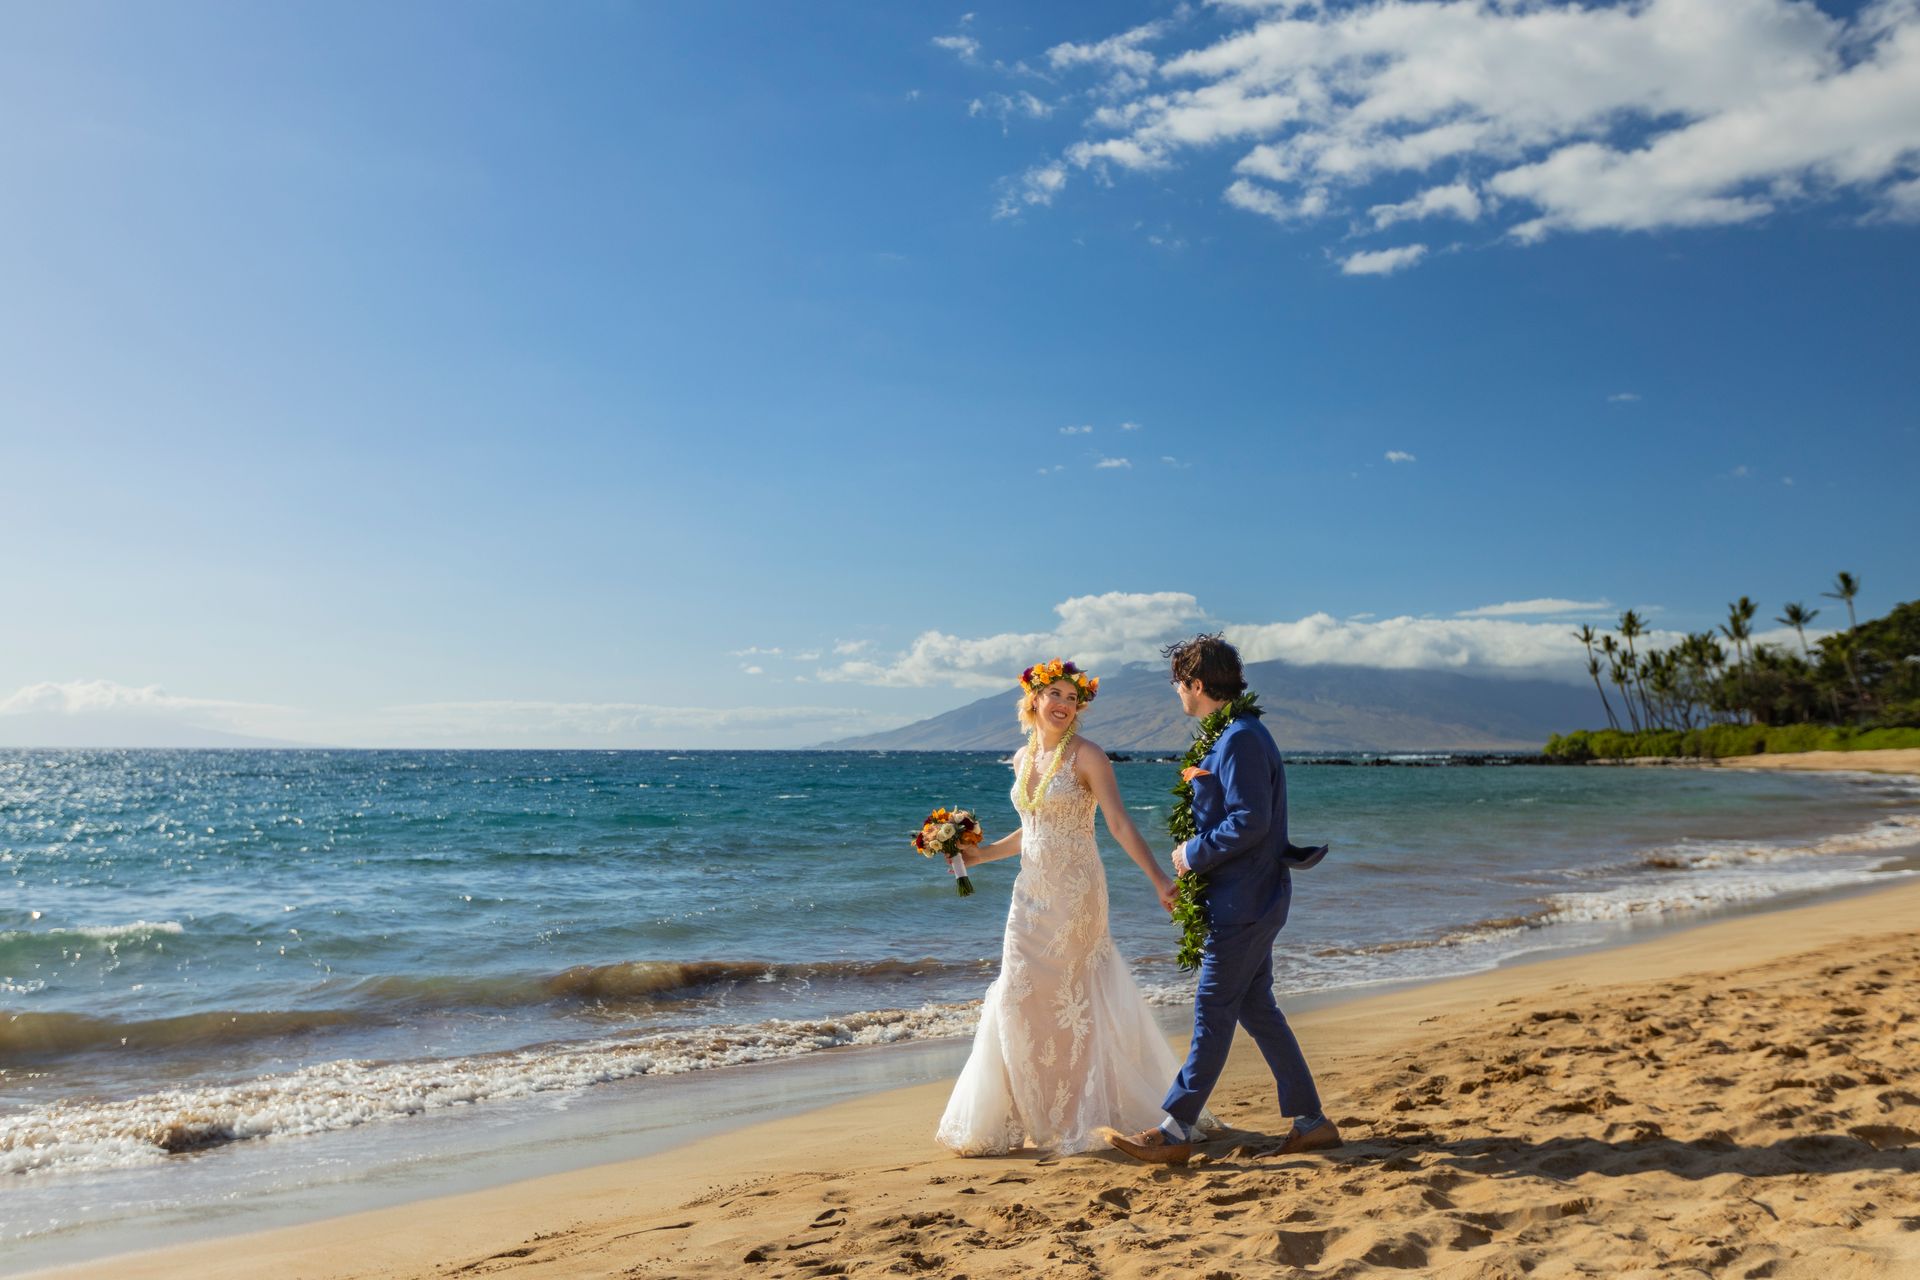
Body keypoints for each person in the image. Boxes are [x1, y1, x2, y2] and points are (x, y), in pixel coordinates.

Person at [935, 658, 1197, 1156]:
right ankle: (1033, 1113)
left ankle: (1084, 1114)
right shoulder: (1022, 757)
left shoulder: (1089, 756)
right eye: (1054, 694)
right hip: (1029, 895)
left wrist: (1160, 879)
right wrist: (980, 855)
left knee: (1075, 1000)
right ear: (1033, 699)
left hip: (1076, 895)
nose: (1062, 705)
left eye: (1072, 698)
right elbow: (1032, 830)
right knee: (1018, 995)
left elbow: (1117, 824)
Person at [1109, 633, 1339, 1165]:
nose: (1177, 695)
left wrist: (1191, 853)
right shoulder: (1236, 734)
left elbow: (1250, 821)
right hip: (1251, 898)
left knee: (1213, 1009)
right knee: (1257, 1007)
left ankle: (1174, 1130)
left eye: (1178, 685)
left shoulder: (1239, 738)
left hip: (1245, 902)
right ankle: (1311, 1122)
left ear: (1195, 684)